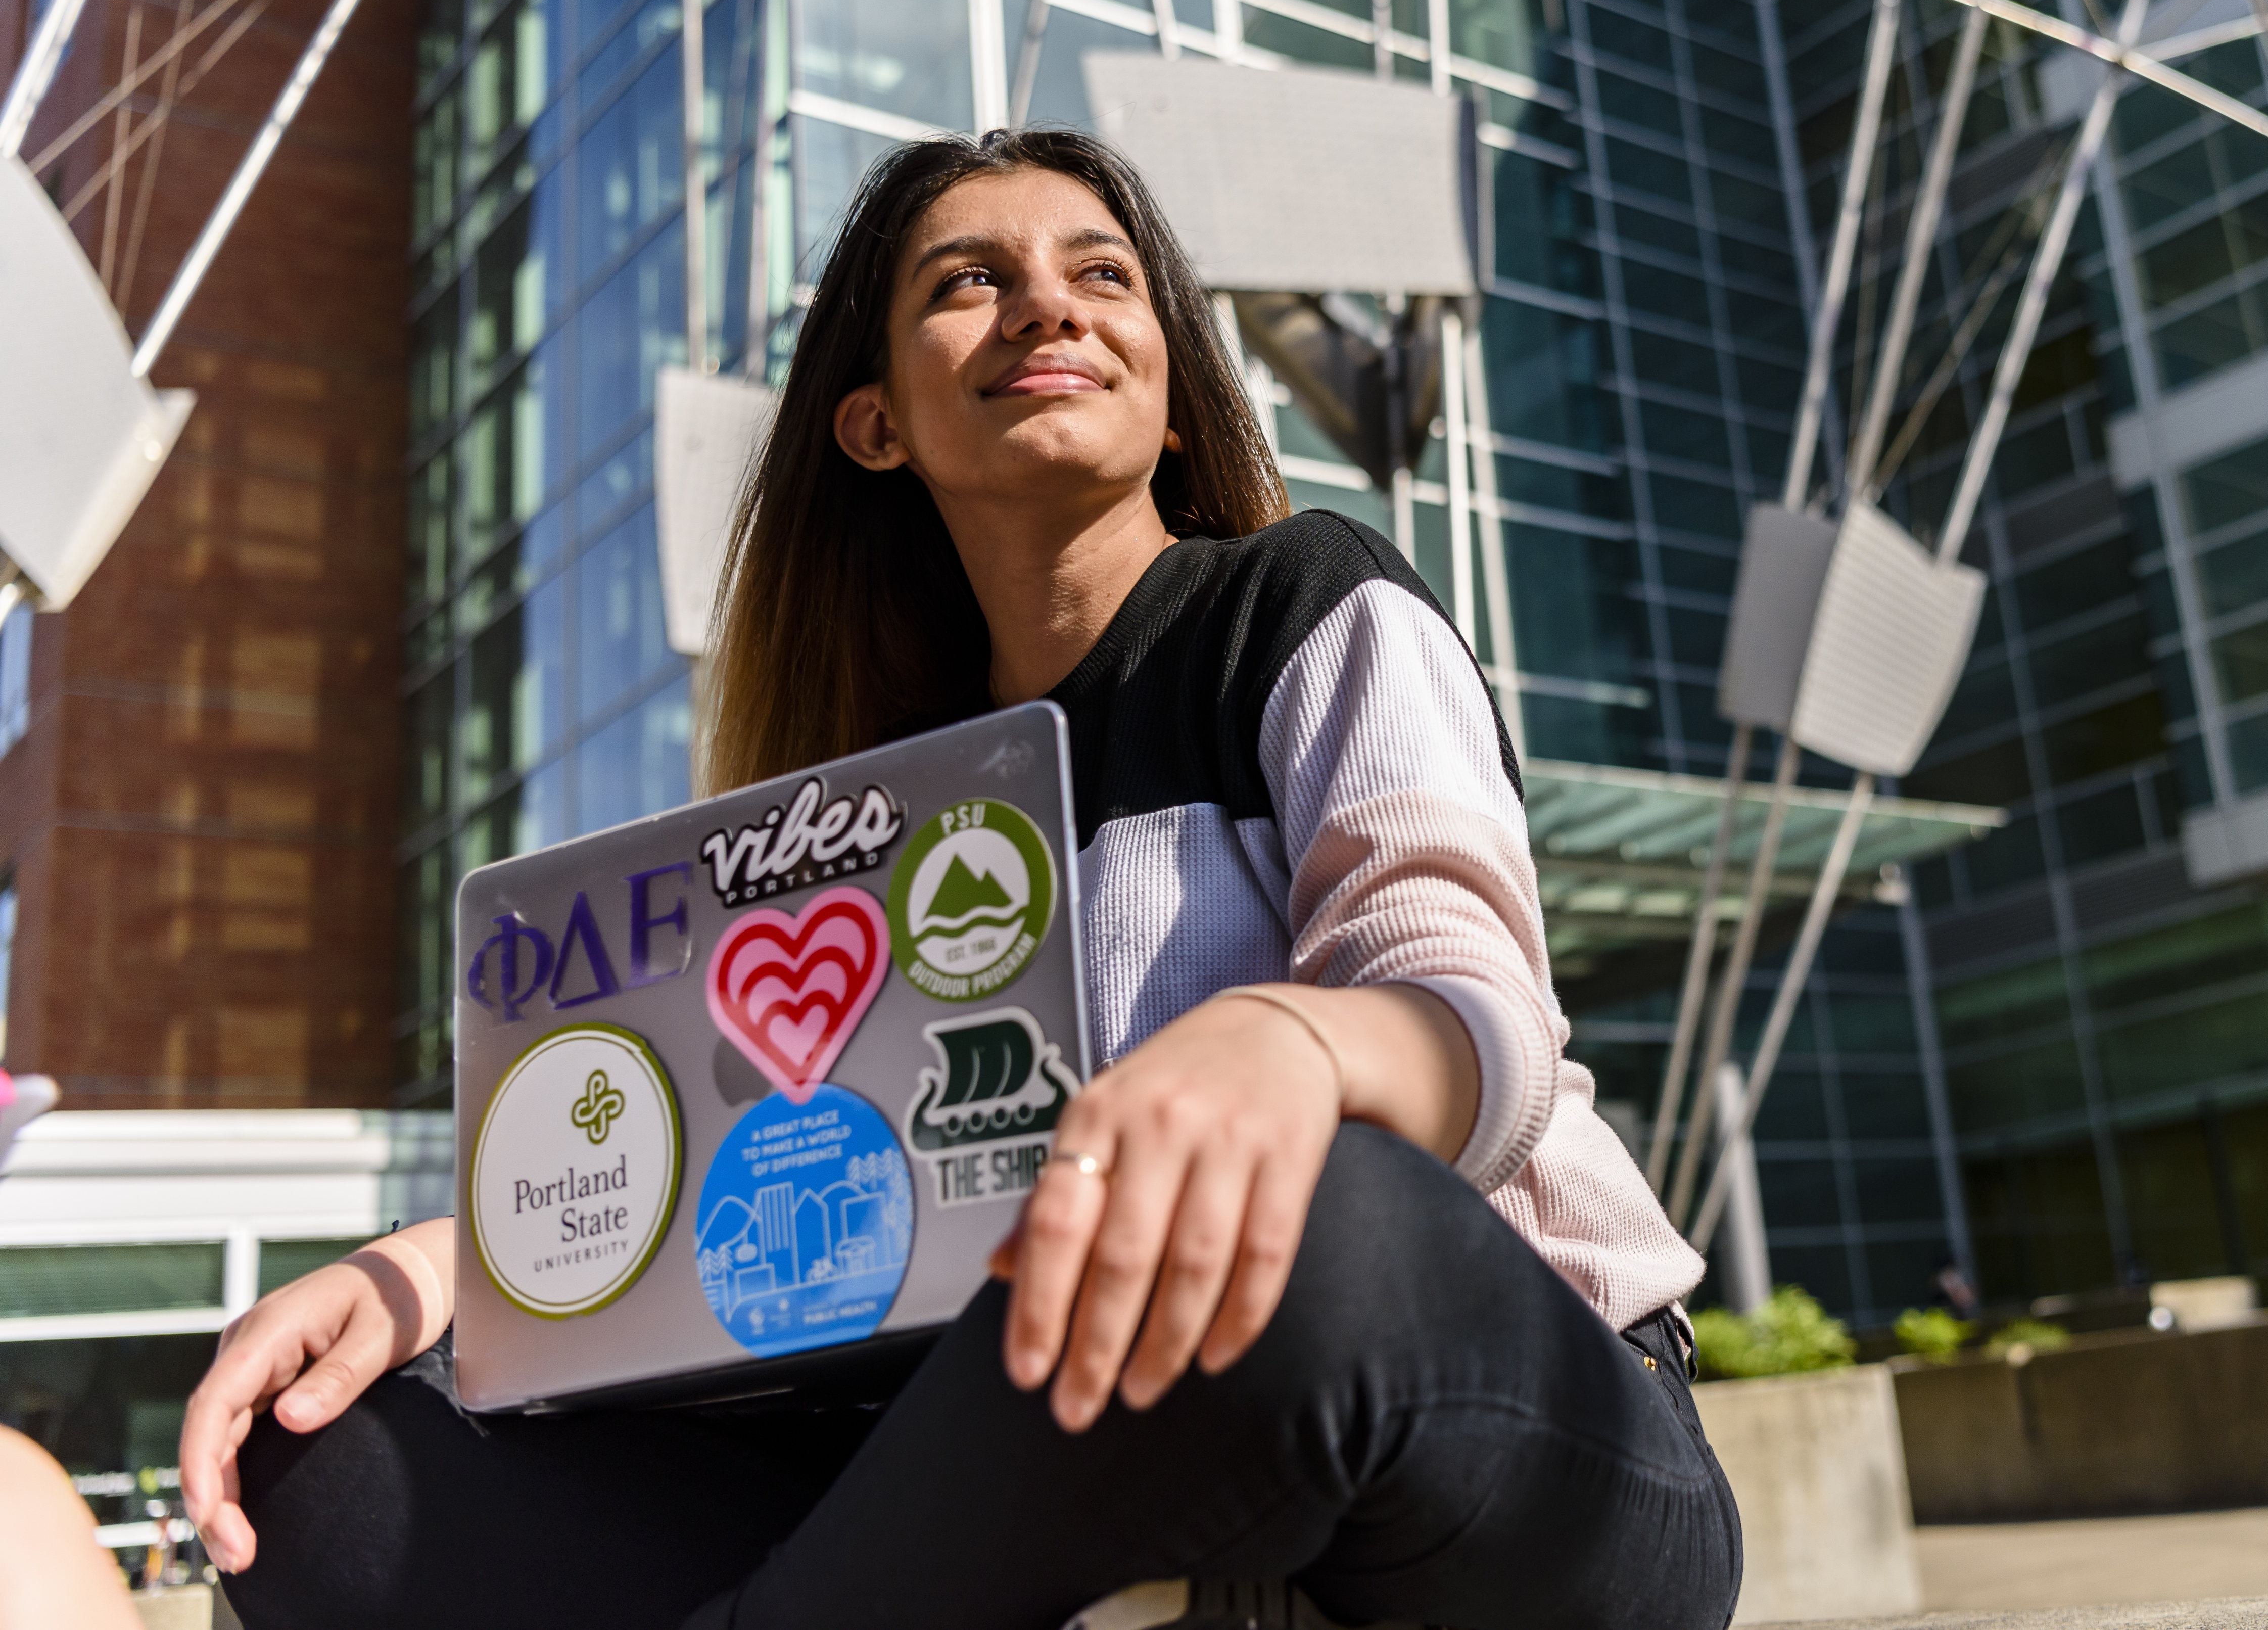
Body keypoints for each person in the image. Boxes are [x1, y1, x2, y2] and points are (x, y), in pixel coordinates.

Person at [176, 129, 1740, 1630]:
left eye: (1101, 273)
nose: (1048, 304)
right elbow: (727, 1188)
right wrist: (439, 1269)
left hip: (1494, 1417)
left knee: (1304, 1197)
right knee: (310, 1463)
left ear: (1170, 399)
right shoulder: (863, 816)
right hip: (1007, 1447)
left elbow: (1470, 1007)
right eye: (969, 281)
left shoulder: (1303, 603)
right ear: (876, 423)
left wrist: (1295, 1044)